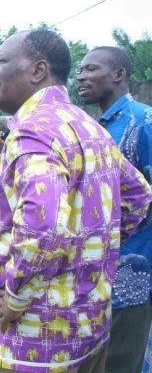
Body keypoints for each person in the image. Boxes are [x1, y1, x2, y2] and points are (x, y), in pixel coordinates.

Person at [0, 29, 152, 373]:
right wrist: (89, 246)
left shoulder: (34, 131)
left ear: (38, 71)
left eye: (1, 62)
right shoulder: (90, 126)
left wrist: (17, 295)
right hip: (86, 330)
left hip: (29, 343)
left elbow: (44, 224)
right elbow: (139, 196)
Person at [77, 46, 152, 373]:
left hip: (133, 275)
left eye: (91, 69)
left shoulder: (143, 122)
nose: (81, 76)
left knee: (123, 362)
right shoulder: (96, 127)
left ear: (118, 75)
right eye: (80, 70)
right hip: (94, 274)